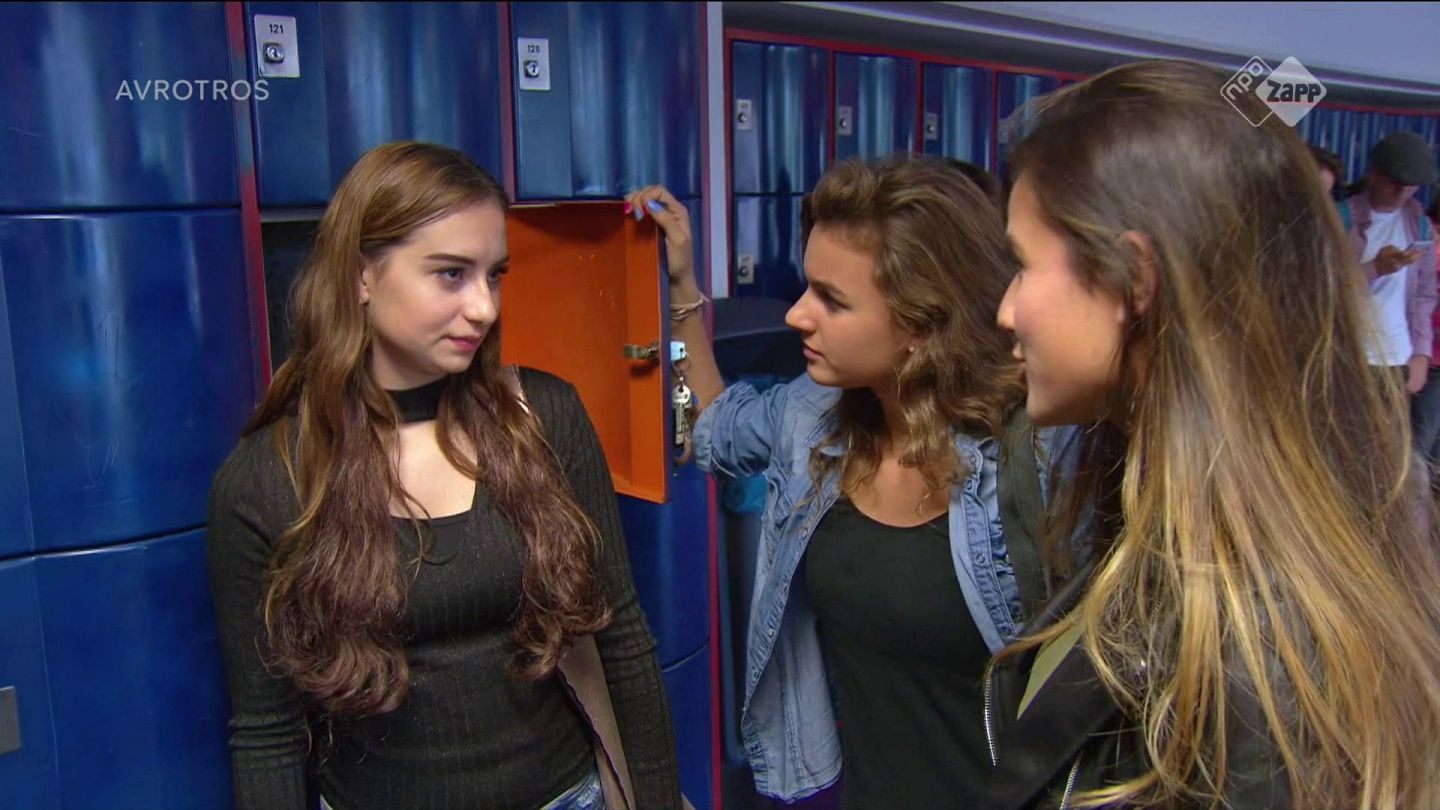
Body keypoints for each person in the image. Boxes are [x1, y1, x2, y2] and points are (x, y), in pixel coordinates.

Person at [984, 59, 1440, 810]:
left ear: (1134, 279)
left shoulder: (1254, 655)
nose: (1005, 310)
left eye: (1022, 265)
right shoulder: (1169, 515)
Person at [206, 141, 682, 810]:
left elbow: (622, 637)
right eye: (451, 274)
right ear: (362, 276)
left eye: (494, 275)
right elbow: (267, 733)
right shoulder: (268, 480)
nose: (485, 307)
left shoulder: (544, 416)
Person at [626, 154, 1056, 808]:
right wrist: (681, 288)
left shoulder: (1031, 454)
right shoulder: (813, 415)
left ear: (919, 324)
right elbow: (710, 426)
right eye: (808, 288)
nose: (797, 315)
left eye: (832, 300)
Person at [1339, 130, 1438, 393]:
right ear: (1375, 173)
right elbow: (1319, 288)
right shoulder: (1340, 219)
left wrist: (1421, 354)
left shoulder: (1420, 225)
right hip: (1347, 357)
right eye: (1395, 181)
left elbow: (1424, 295)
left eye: (1412, 185)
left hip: (1398, 359)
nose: (1402, 191)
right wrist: (1375, 269)